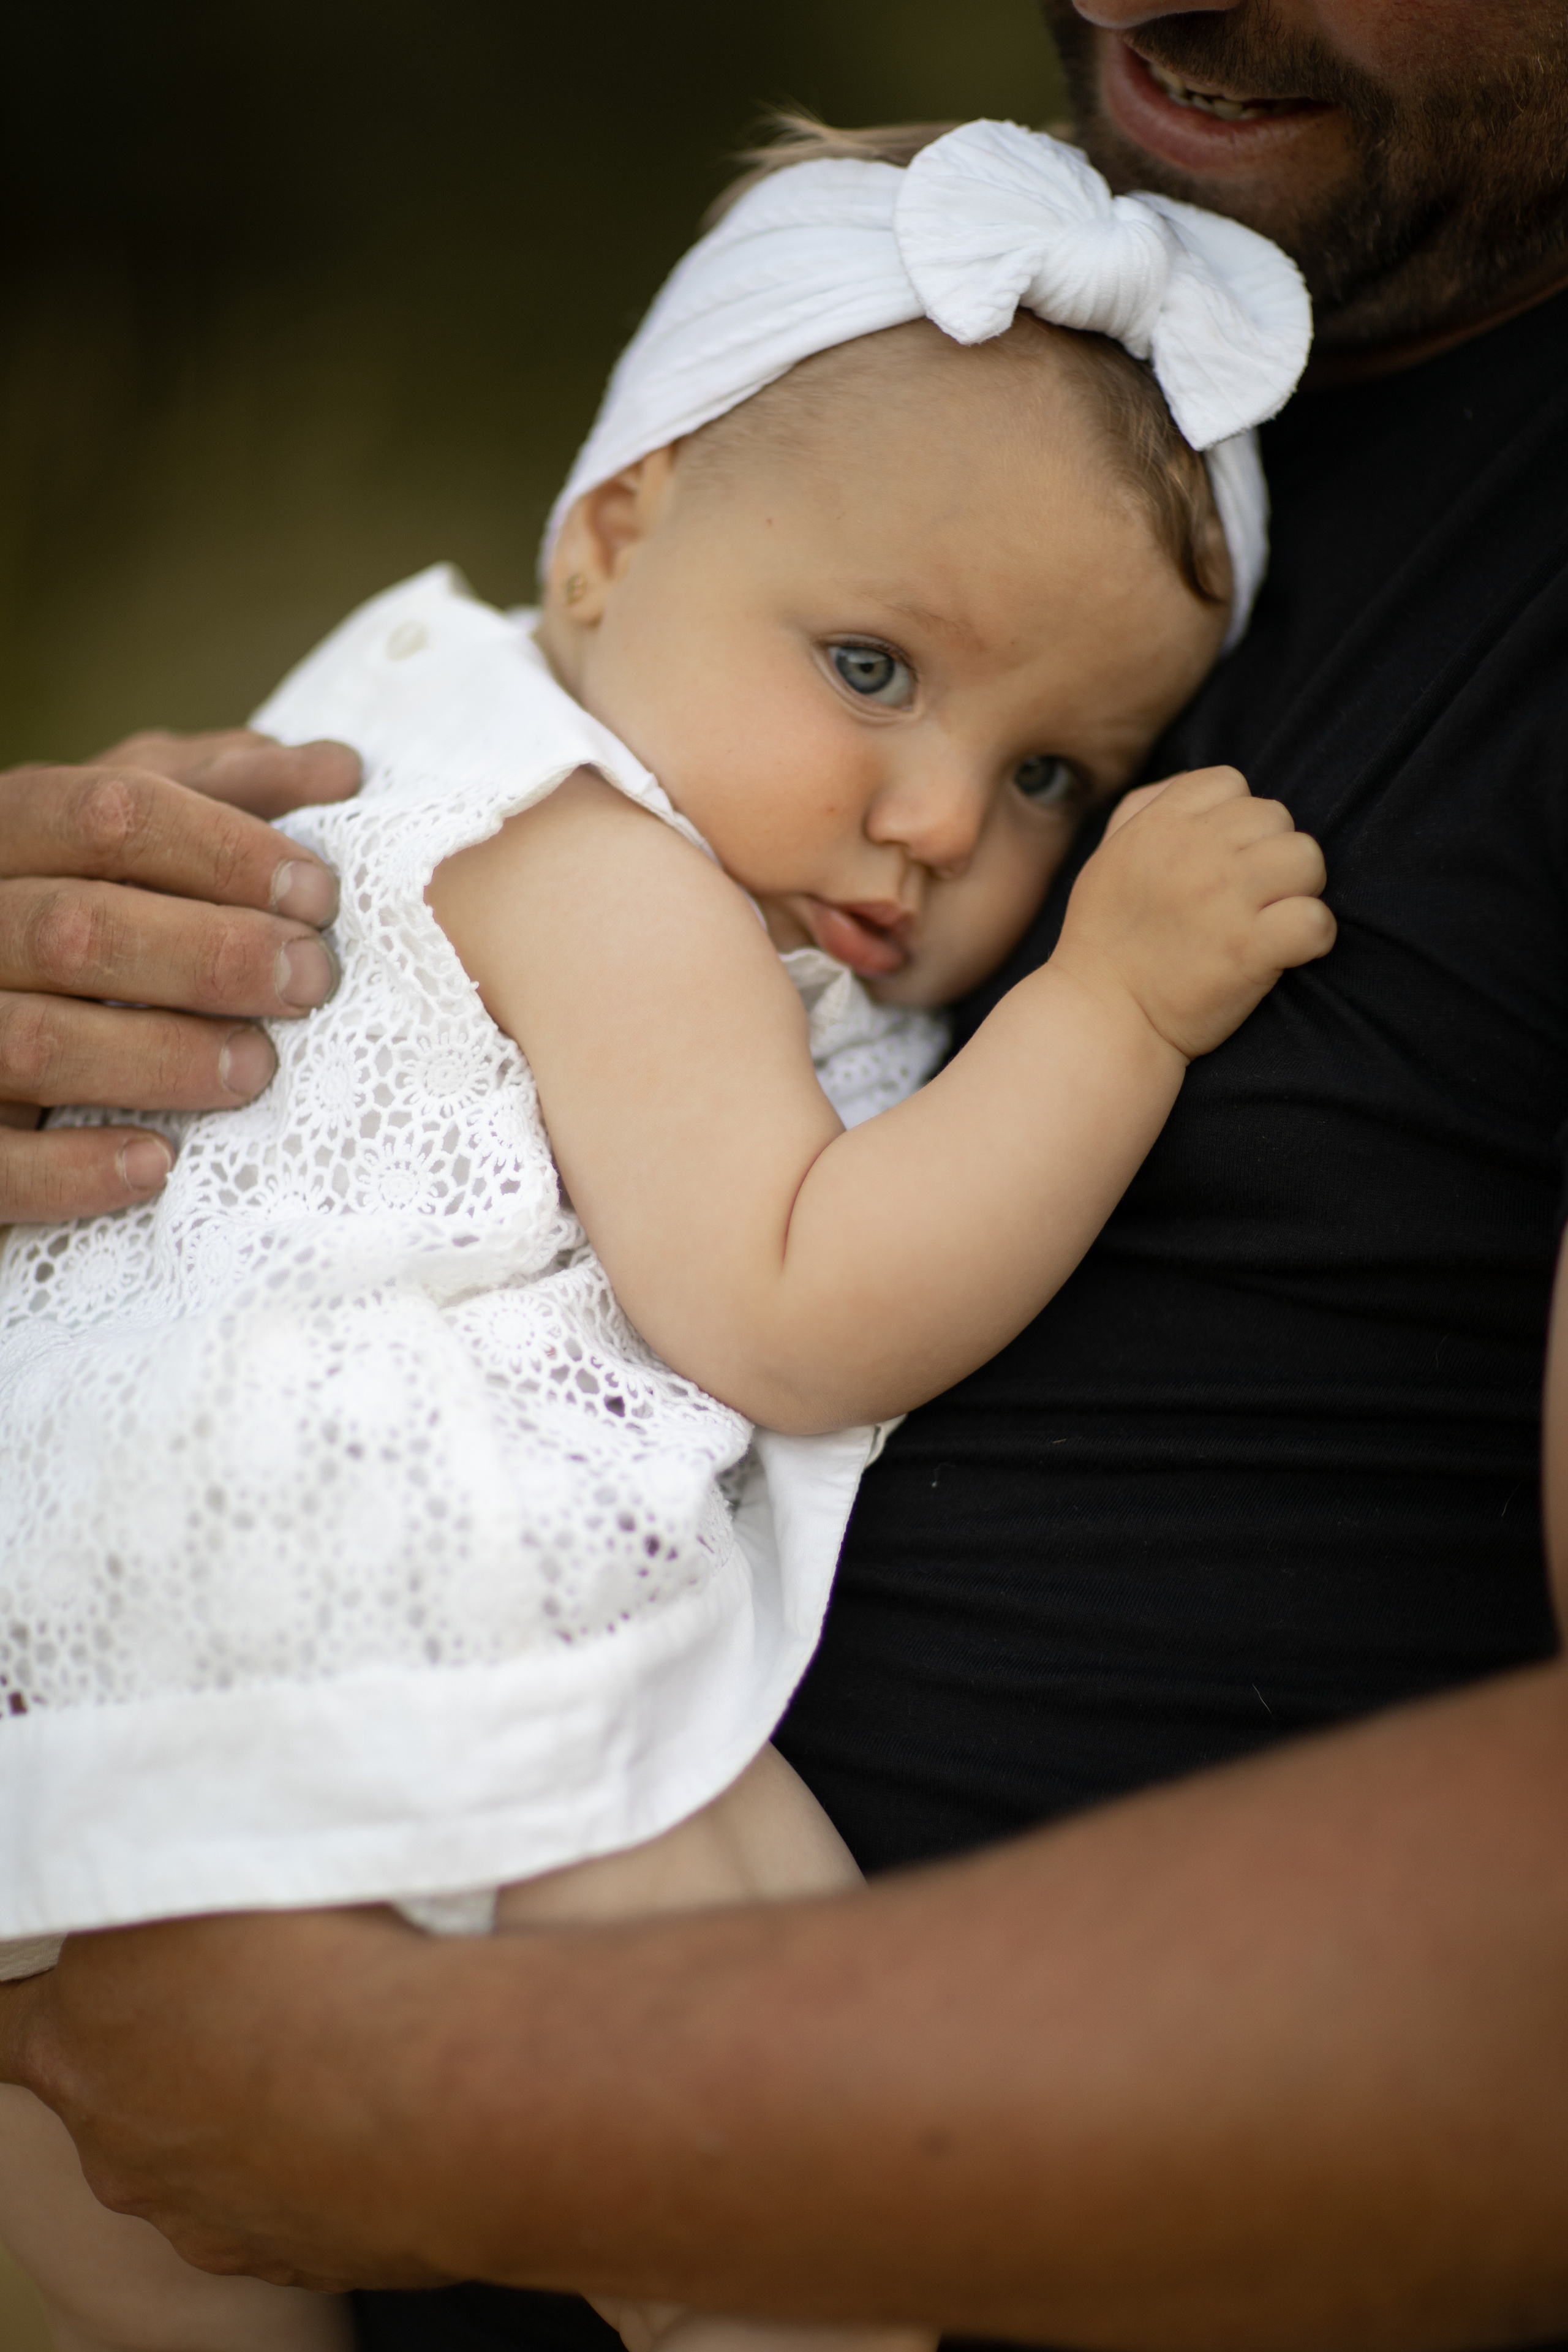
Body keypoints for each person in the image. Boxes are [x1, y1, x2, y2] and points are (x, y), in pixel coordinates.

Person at [2, 0, 1567, 2346]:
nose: (945, 819)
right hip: (381, 1648)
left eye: (1057, 778)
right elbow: (794, 1301)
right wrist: (1106, 1007)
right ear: (613, 539)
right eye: (866, 668)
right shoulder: (593, 859)